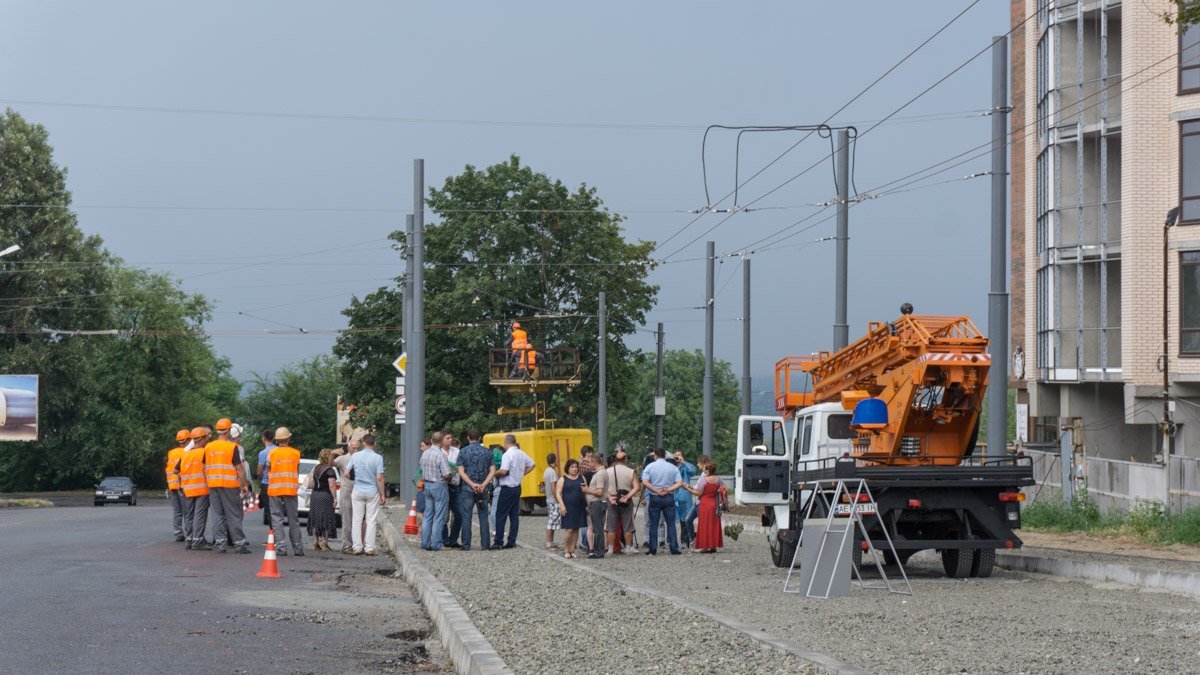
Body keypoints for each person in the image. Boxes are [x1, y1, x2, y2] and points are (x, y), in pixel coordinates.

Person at [205, 418, 252, 554]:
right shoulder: (232, 447)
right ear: (229, 431)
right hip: (229, 486)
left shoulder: (208, 447)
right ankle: (239, 544)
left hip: (213, 485)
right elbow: (240, 469)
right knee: (233, 514)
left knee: (217, 515)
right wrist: (244, 485)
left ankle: (220, 544)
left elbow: (204, 467)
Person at [265, 427, 305, 556]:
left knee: (277, 519)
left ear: (276, 440)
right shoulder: (296, 453)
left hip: (275, 490)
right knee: (293, 519)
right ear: (288, 438)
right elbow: (296, 470)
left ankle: (281, 547)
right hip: (290, 489)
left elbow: (268, 469)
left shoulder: (271, 454)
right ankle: (298, 548)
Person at [492, 433, 534, 549]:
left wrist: (492, 473)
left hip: (507, 488)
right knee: (514, 516)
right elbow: (532, 464)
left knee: (500, 515)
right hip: (517, 487)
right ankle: (512, 541)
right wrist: (522, 474)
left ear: (506, 442)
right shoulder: (522, 453)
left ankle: (498, 541)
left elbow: (503, 471)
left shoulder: (507, 455)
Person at [456, 428, 495, 551]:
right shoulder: (488, 452)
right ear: (480, 437)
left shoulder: (463, 452)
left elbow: (461, 471)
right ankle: (485, 545)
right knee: (483, 516)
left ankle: (466, 545)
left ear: (468, 437)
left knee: (466, 516)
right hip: (483, 489)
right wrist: (483, 484)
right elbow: (492, 471)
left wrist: (472, 484)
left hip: (467, 488)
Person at [348, 433, 387, 555]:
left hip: (358, 490)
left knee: (357, 519)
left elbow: (345, 472)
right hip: (372, 491)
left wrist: (355, 478)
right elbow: (379, 478)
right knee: (371, 519)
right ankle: (369, 547)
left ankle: (357, 547)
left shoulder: (355, 456)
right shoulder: (378, 458)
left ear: (363, 443)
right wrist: (382, 494)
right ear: (374, 444)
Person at [640, 448, 683, 555]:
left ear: (655, 455)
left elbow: (644, 482)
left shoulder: (649, 467)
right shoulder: (673, 467)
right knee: (671, 524)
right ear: (665, 456)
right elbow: (680, 483)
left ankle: (652, 549)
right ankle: (674, 548)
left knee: (653, 524)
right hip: (669, 497)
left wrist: (656, 490)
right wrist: (668, 489)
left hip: (654, 497)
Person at [598, 451, 641, 555]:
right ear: (625, 459)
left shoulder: (607, 471)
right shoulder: (631, 471)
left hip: (612, 500)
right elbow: (636, 487)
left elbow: (602, 487)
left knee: (611, 527)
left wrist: (610, 497)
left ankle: (610, 549)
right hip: (626, 501)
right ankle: (628, 548)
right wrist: (627, 496)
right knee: (628, 526)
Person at [418, 432, 452, 551]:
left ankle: (425, 543)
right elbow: (447, 473)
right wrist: (451, 478)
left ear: (431, 441)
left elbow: (421, 470)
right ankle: (437, 543)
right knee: (439, 516)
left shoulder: (425, 454)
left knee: (427, 515)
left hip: (427, 485)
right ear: (442, 441)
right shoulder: (441, 455)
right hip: (438, 485)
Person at [684, 457, 725, 553]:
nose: (703, 470)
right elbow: (723, 488)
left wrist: (688, 489)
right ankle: (713, 546)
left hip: (704, 504)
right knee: (713, 525)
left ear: (708, 470)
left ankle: (705, 546)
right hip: (714, 504)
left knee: (704, 525)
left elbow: (698, 493)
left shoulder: (704, 480)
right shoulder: (718, 479)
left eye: (705, 468)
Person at [180, 427, 211, 550]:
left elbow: (177, 470)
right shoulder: (205, 452)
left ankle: (189, 540)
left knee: (189, 515)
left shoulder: (186, 454)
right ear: (203, 439)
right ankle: (197, 541)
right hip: (202, 489)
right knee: (200, 515)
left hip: (188, 489)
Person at [307, 448, 339, 551]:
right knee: (326, 518)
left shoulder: (316, 468)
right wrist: (335, 498)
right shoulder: (330, 470)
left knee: (315, 518)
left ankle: (315, 542)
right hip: (325, 495)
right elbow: (332, 485)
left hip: (315, 494)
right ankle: (324, 543)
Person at [555, 459, 588, 559]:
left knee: (576, 529)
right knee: (569, 529)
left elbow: (586, 491)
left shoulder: (582, 478)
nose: (574, 469)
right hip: (568, 507)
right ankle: (566, 549)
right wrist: (562, 505)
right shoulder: (563, 479)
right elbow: (558, 493)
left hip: (580, 506)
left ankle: (572, 549)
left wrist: (587, 504)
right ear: (568, 468)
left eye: (576, 467)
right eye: (572, 467)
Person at [334, 435, 360, 552]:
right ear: (348, 448)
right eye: (353, 448)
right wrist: (332, 453)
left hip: (360, 491)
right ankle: (346, 545)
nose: (355, 450)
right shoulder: (342, 459)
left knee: (359, 520)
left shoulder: (361, 458)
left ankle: (358, 544)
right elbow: (330, 464)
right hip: (347, 491)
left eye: (357, 448)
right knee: (347, 519)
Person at [440, 432, 465, 548]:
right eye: (447, 438)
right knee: (444, 515)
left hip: (455, 486)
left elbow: (461, 466)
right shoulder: (438, 452)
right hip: (443, 486)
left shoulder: (457, 452)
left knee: (459, 514)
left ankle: (453, 539)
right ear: (442, 440)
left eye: (451, 438)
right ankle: (445, 540)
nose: (450, 440)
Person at [165, 429, 189, 542]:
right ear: (188, 440)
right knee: (187, 511)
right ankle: (190, 533)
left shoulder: (171, 452)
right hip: (182, 486)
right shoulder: (187, 452)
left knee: (177, 511)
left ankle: (178, 533)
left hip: (172, 486)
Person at [583, 455, 608, 559]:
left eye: (589, 462)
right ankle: (599, 550)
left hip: (597, 503)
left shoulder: (600, 474)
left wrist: (587, 490)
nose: (587, 465)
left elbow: (599, 491)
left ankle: (599, 552)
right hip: (597, 503)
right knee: (598, 527)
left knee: (598, 528)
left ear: (594, 462)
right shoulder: (600, 472)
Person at [674, 450, 698, 549]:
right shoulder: (672, 467)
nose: (677, 457)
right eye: (675, 456)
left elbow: (693, 471)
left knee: (686, 519)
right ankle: (675, 541)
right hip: (675, 496)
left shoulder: (685, 467)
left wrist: (683, 462)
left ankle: (686, 541)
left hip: (684, 495)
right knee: (677, 520)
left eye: (679, 455)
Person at [256, 429, 276, 527]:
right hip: (277, 483)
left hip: (266, 483)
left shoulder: (263, 453)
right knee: (277, 509)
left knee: (268, 510)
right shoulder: (277, 450)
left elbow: (259, 471)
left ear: (263, 438)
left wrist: (260, 478)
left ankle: (272, 536)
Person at [543, 453, 561, 550]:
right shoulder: (552, 472)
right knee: (551, 521)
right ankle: (549, 543)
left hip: (548, 498)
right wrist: (557, 499)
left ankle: (551, 542)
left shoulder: (546, 471)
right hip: (553, 500)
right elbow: (553, 486)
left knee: (552, 521)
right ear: (555, 460)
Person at [488, 442, 504, 533]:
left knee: (492, 508)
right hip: (497, 486)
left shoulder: (491, 457)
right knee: (495, 509)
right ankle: (496, 529)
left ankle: (495, 529)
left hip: (490, 487)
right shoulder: (501, 459)